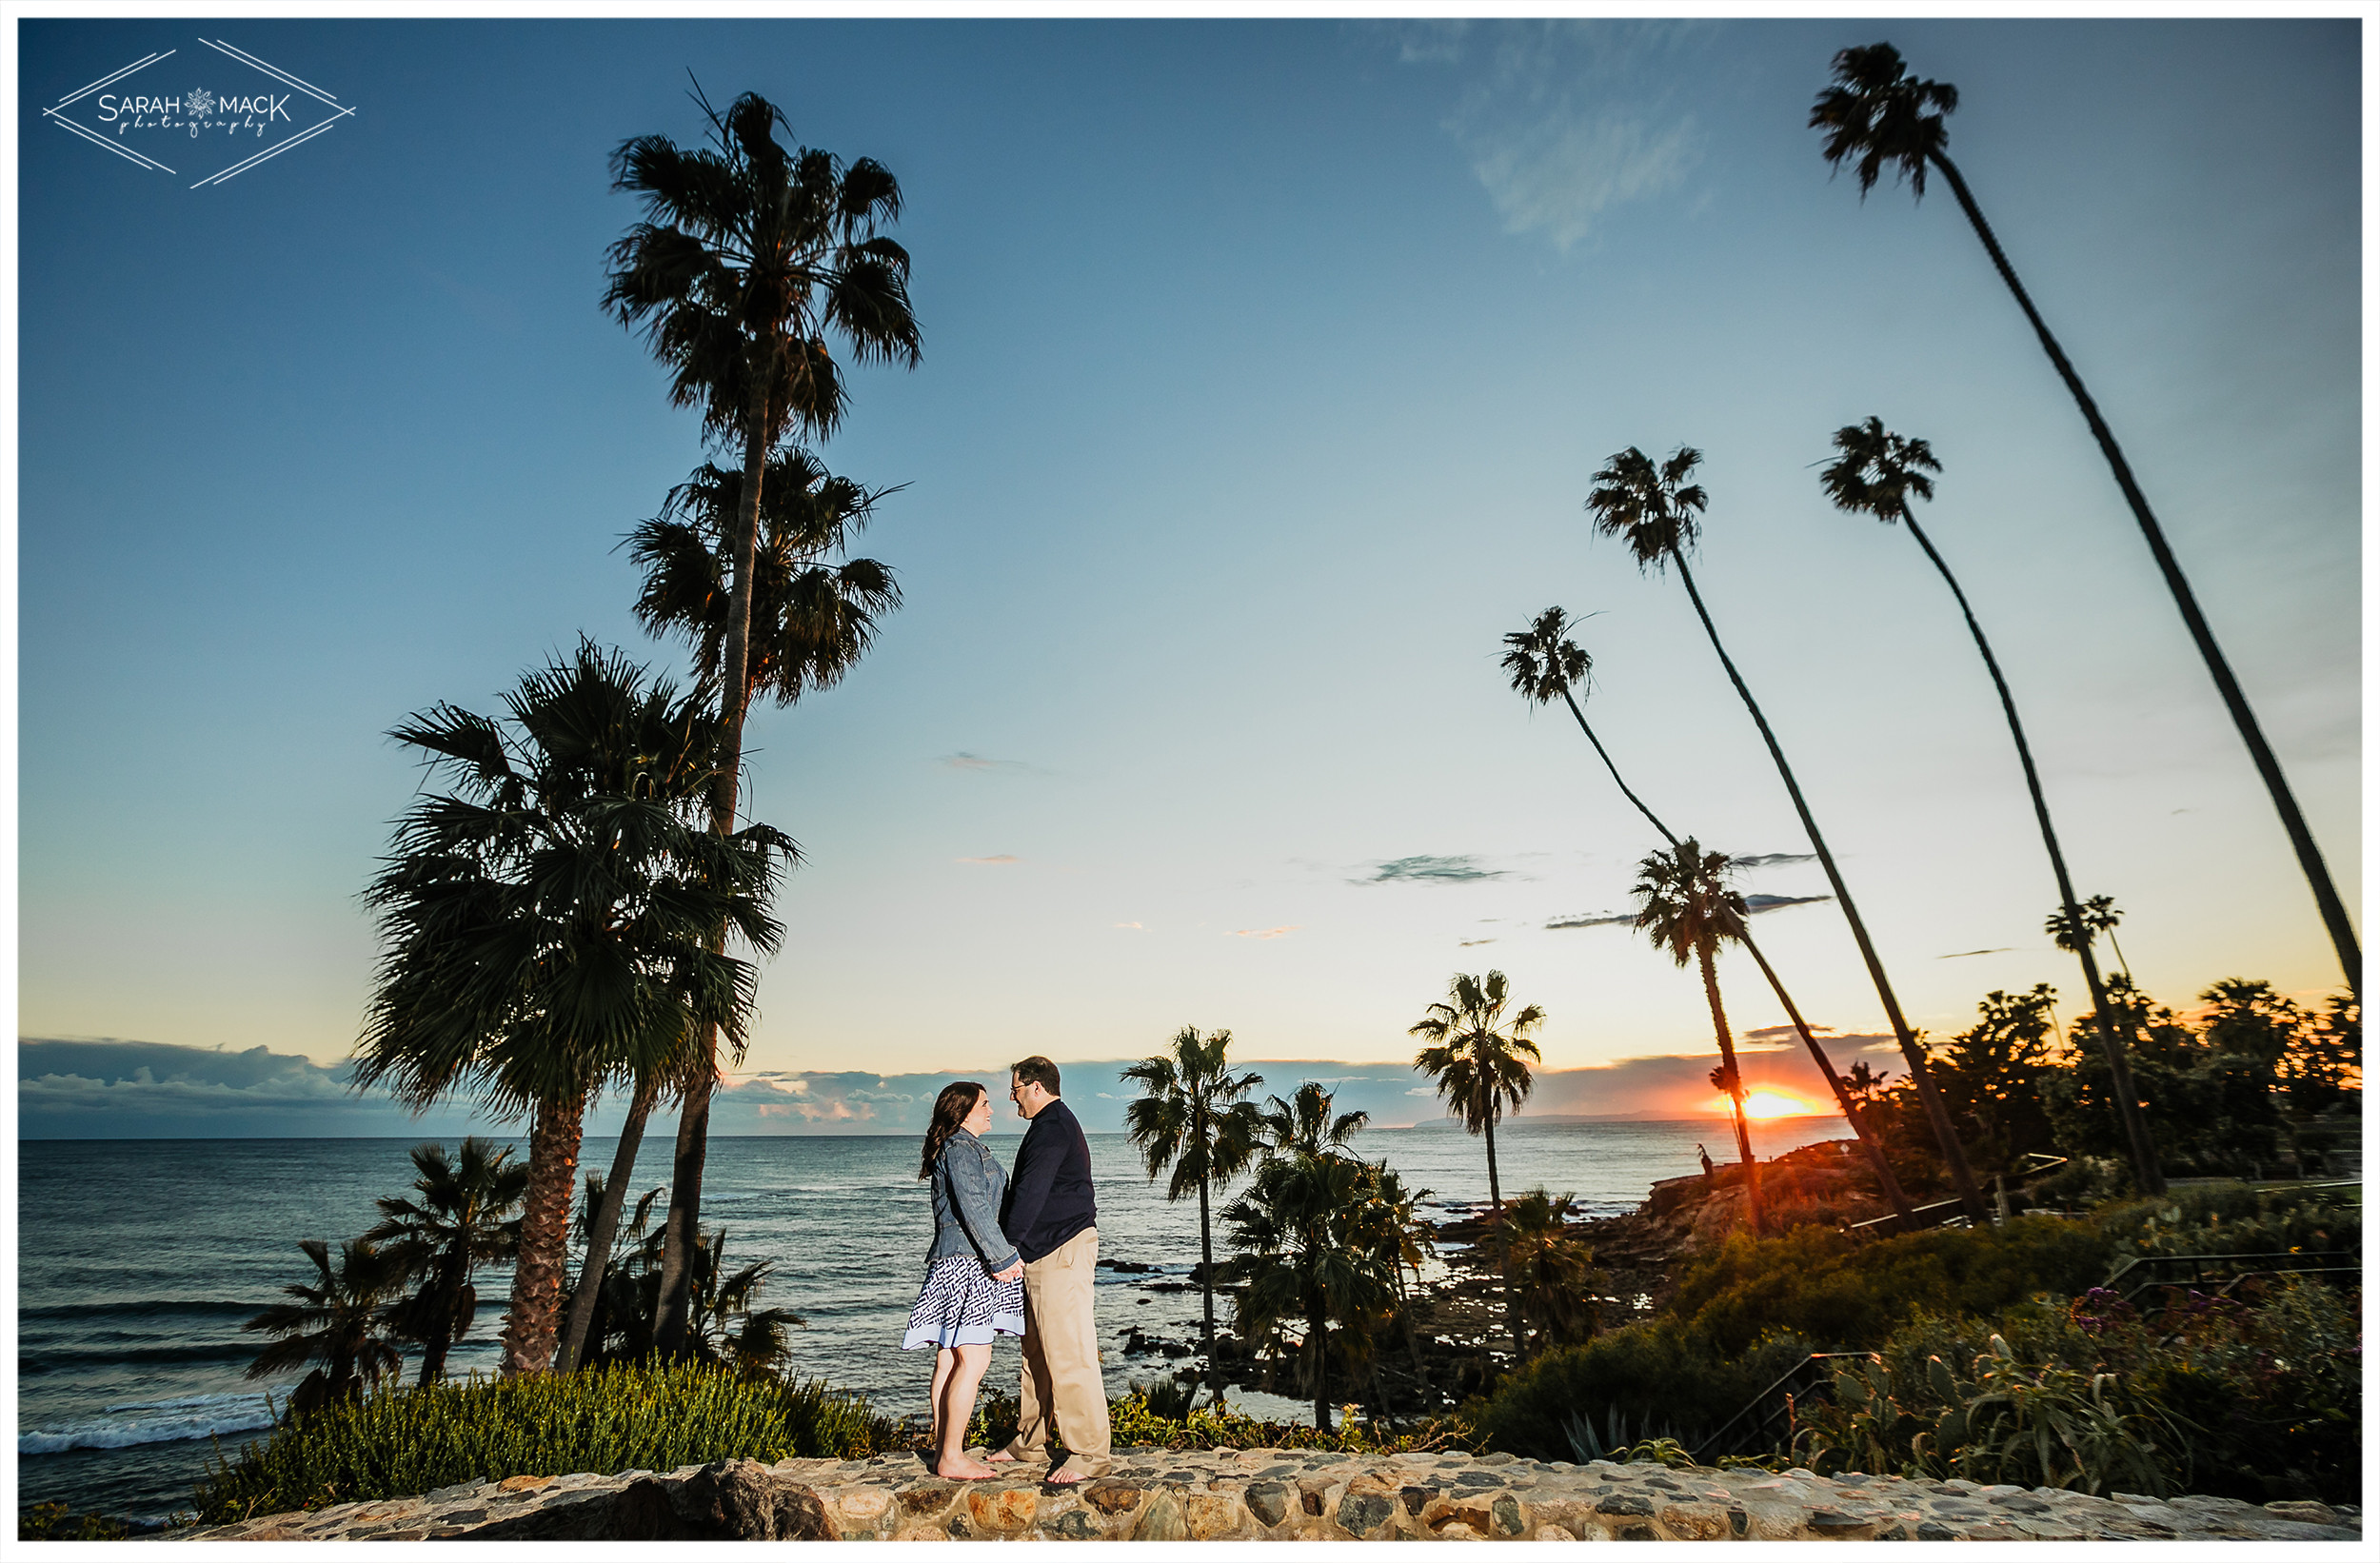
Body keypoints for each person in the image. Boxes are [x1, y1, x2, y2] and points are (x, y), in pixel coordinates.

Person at [985, 1055, 1110, 1484]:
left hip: (1061, 1251)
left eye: (1015, 1090)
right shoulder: (1049, 1126)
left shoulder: (1052, 1127)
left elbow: (1030, 1195)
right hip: (1044, 1253)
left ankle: (1090, 1452)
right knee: (1035, 1351)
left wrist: (1004, 1249)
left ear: (1036, 1086)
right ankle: (1029, 1442)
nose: (1013, 1099)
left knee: (1070, 1351)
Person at [902, 1081, 1026, 1479]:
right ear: (964, 1111)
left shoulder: (961, 1147)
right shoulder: (960, 1148)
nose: (992, 1110)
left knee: (949, 1356)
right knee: (974, 1357)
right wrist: (1004, 1258)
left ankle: (944, 1450)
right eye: (985, 1104)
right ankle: (952, 1457)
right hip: (968, 1264)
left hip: (954, 1261)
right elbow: (974, 1209)